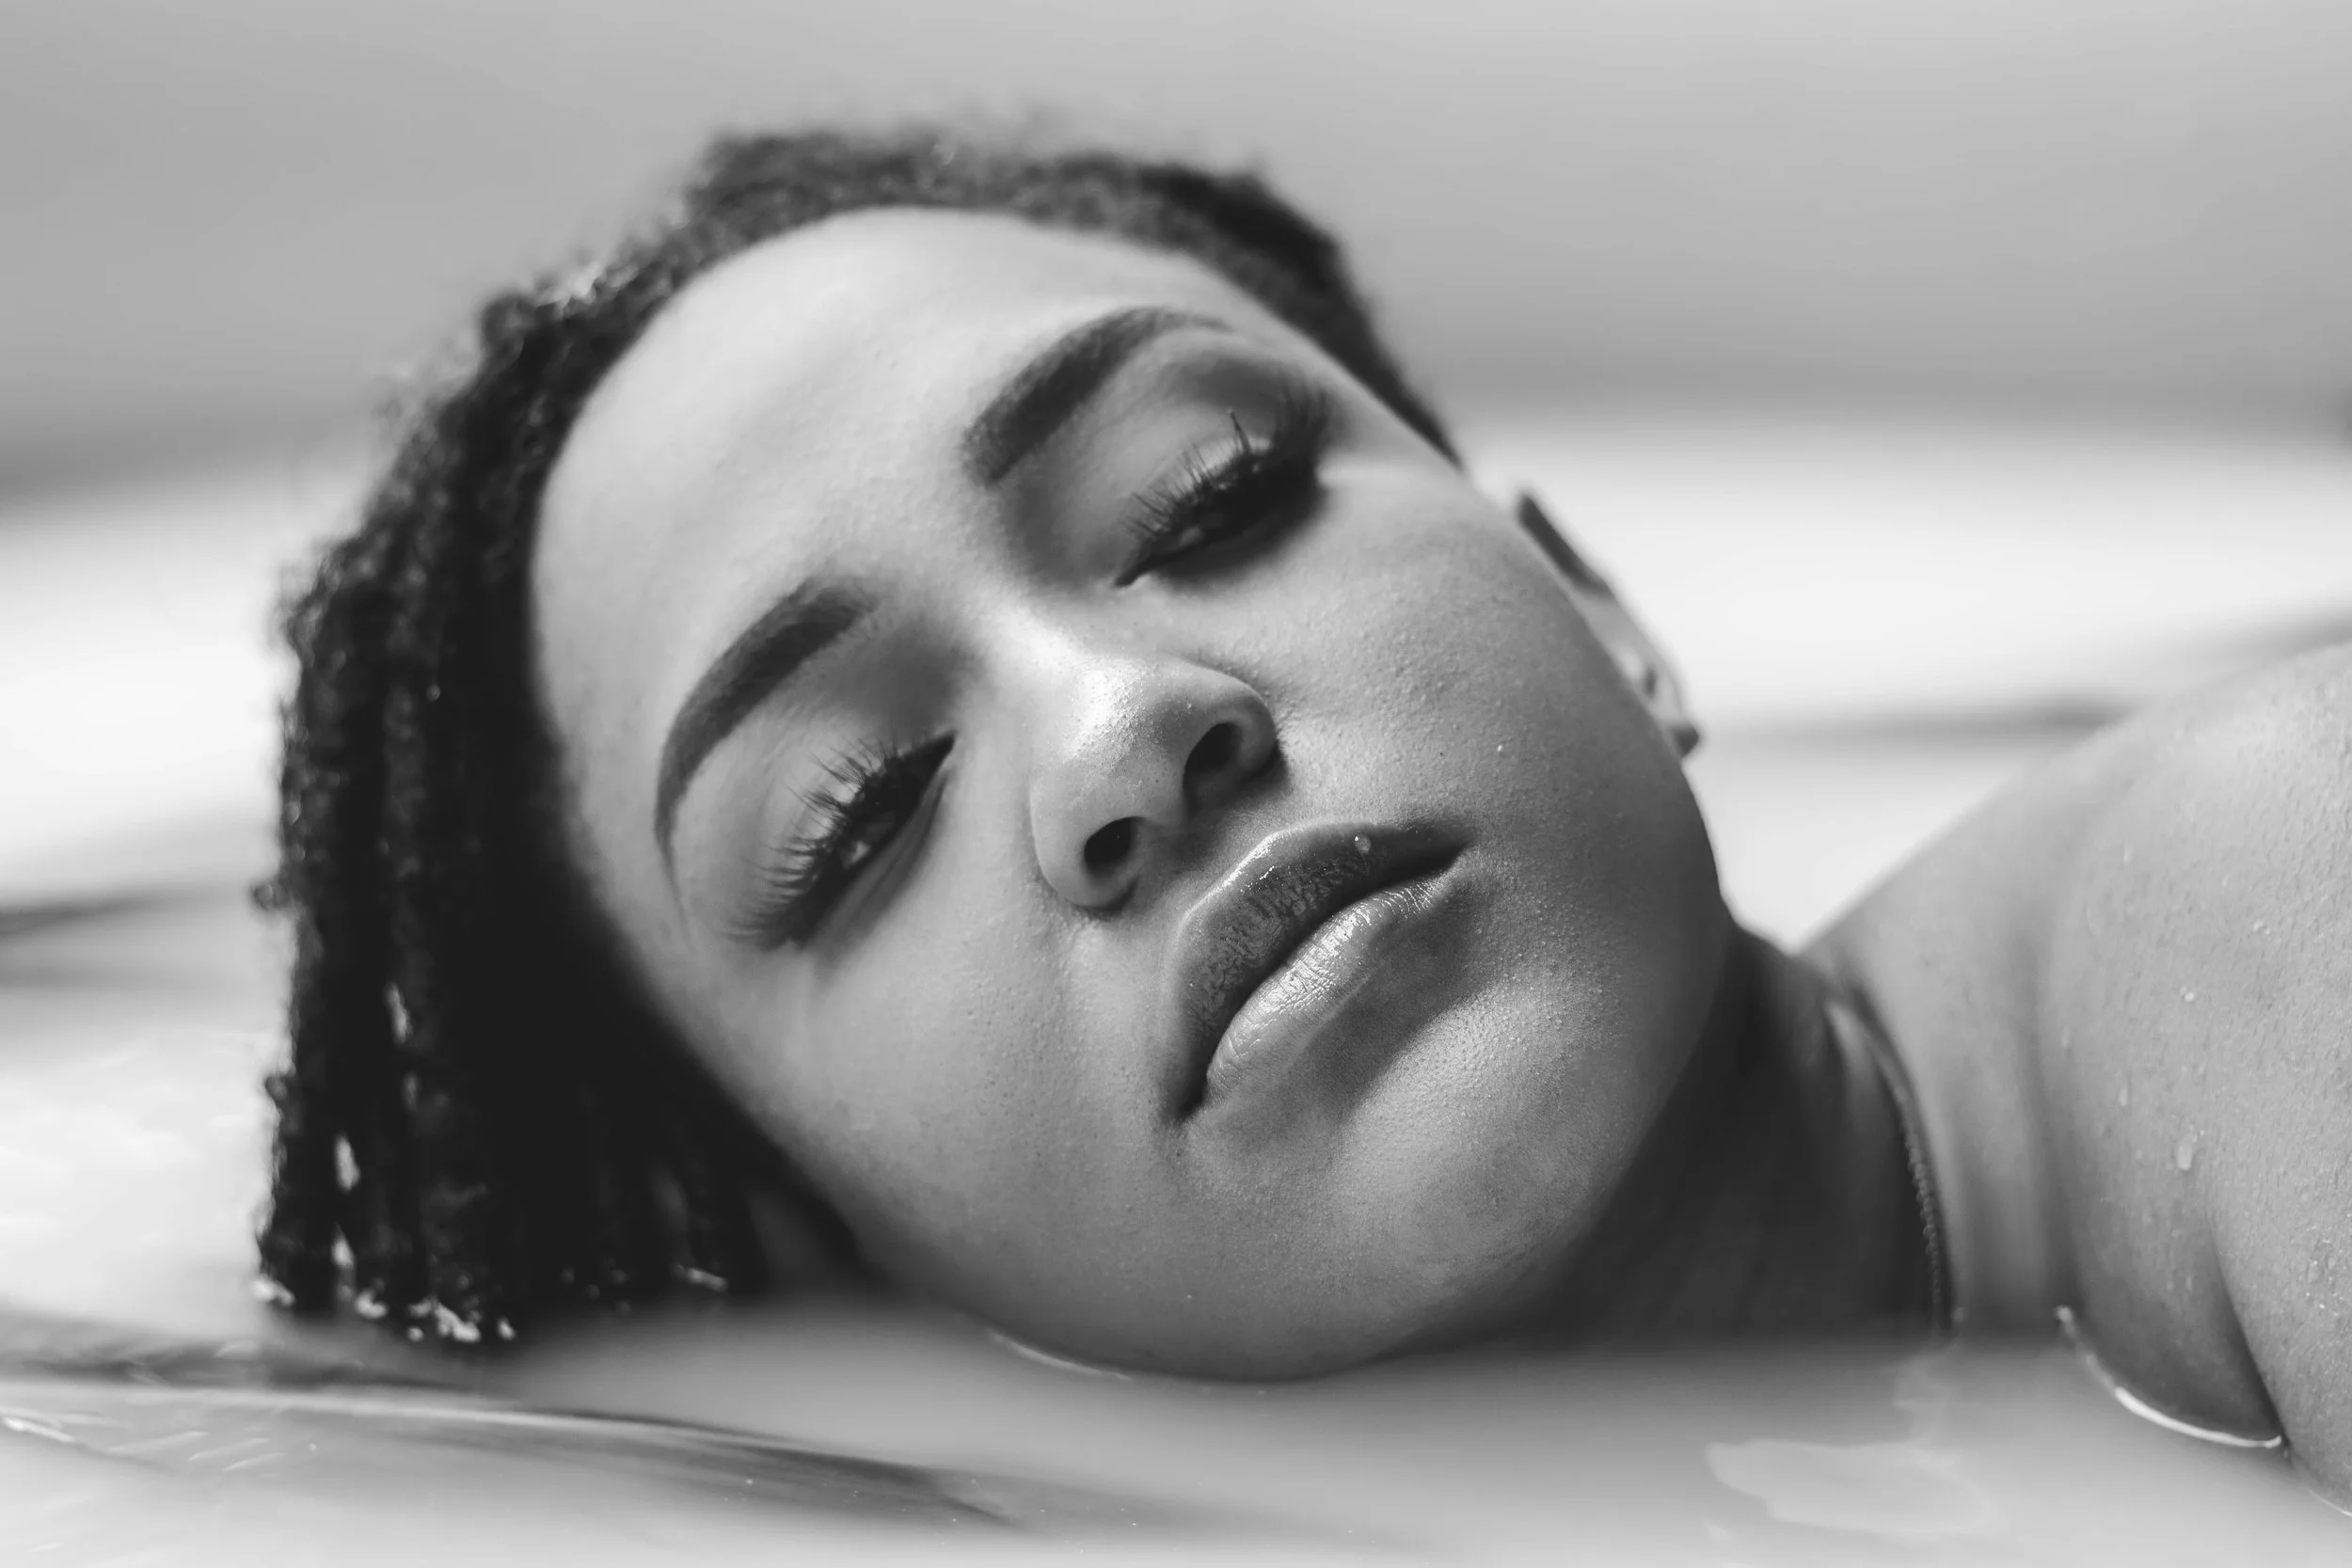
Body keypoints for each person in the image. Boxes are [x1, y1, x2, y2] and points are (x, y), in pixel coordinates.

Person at [256, 126, 2352, 1497]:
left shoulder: (2277, 879)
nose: (1118, 731)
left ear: (1599, 610)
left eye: (1209, 500)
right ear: (812, 1237)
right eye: (859, 812)